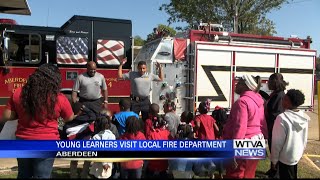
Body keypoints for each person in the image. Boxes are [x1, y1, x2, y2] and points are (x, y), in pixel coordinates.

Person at [2, 63, 74, 178]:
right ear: (55, 79)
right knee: (42, 176)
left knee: (23, 175)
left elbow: (6, 116)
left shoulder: (19, 93)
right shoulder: (59, 98)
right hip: (47, 143)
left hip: (23, 141)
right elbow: (69, 117)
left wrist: (22, 113)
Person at [222, 74, 268, 179]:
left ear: (246, 85)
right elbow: (262, 123)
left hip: (244, 143)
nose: (236, 85)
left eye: (239, 82)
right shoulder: (258, 100)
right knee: (249, 174)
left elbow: (240, 127)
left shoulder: (242, 102)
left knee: (236, 174)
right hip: (257, 141)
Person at [271, 89, 309, 179]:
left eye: (284, 99)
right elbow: (305, 139)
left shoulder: (282, 118)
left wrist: (274, 160)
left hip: (284, 158)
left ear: (288, 102)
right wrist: (299, 153)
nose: (282, 100)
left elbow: (277, 142)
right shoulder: (304, 117)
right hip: (296, 156)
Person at [265, 73, 288, 177]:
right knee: (272, 149)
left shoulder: (280, 95)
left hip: (275, 128)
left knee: (276, 150)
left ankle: (276, 173)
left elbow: (276, 113)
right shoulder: (276, 93)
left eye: (269, 81)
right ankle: (273, 170)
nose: (267, 83)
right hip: (272, 127)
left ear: (274, 82)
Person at [89, 114, 116, 179]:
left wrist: (104, 163)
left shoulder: (96, 137)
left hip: (100, 164)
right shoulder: (112, 136)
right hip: (107, 163)